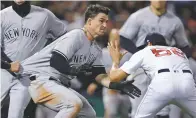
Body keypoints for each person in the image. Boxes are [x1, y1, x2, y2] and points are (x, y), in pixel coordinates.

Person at [20, 4, 138, 118]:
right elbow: (56, 61)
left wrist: (116, 85)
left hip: (54, 82)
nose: (105, 25)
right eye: (101, 21)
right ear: (89, 21)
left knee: (88, 114)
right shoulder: (77, 35)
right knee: (73, 104)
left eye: (106, 22)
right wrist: (80, 70)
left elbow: (99, 76)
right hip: (35, 77)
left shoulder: (95, 49)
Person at [119, 1, 193, 117]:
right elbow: (123, 38)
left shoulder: (175, 21)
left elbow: (185, 46)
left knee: (162, 109)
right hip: (142, 65)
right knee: (138, 107)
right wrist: (141, 54)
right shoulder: (138, 16)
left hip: (164, 64)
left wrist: (177, 60)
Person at [96, 33, 196, 118]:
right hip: (186, 84)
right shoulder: (178, 52)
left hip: (163, 83)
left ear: (149, 43)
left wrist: (115, 61)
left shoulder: (145, 51)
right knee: (165, 113)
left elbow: (115, 77)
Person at [0, 0, 67, 118]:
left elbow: (64, 36)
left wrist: (47, 54)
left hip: (26, 74)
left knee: (16, 115)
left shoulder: (45, 15)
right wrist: (9, 65)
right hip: (3, 71)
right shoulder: (2, 15)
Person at [87, 29, 132, 118]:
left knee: (126, 115)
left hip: (125, 90)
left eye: (117, 38)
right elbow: (98, 72)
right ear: (109, 39)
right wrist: (95, 83)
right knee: (111, 113)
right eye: (113, 38)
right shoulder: (102, 53)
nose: (115, 41)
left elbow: (132, 74)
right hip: (109, 89)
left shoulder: (128, 55)